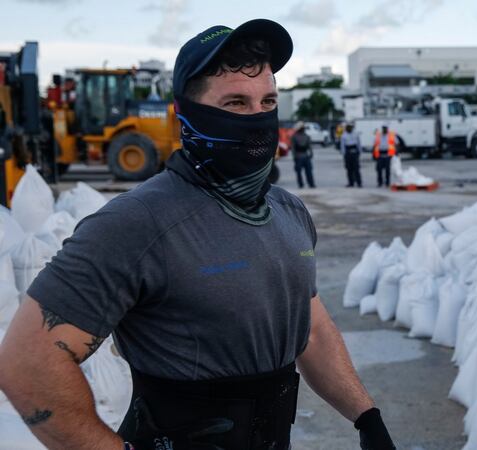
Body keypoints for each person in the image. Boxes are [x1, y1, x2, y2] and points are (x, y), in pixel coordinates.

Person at [0, 19, 395, 450]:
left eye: (268, 101)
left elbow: (311, 328)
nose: (258, 118)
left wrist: (366, 417)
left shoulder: (289, 212)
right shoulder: (136, 224)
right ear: (185, 115)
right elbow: (27, 364)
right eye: (236, 103)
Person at [290, 121, 315, 188]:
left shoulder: (295, 137)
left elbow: (293, 148)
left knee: (304, 172)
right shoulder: (305, 136)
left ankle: (304, 184)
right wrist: (311, 154)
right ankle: (310, 184)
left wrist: (294, 156)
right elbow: (293, 148)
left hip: (300, 156)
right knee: (306, 171)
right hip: (303, 156)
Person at [340, 122, 362, 188]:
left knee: (356, 168)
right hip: (348, 153)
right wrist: (344, 154)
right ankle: (351, 182)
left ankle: (359, 183)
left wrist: (359, 152)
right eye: (348, 127)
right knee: (349, 169)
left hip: (355, 153)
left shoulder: (356, 134)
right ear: (346, 128)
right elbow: (342, 146)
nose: (349, 128)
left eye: (350, 127)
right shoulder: (344, 135)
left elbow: (359, 144)